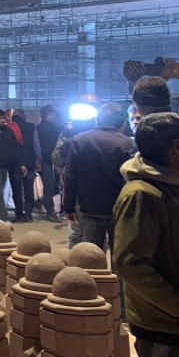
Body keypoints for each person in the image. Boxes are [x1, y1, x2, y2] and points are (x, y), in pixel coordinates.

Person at [113, 112, 179, 357]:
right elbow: (130, 262)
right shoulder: (142, 194)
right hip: (164, 324)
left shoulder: (173, 185)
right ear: (177, 147)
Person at [62, 103, 132, 255]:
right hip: (119, 208)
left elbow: (70, 176)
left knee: (91, 255)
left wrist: (69, 207)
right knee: (120, 255)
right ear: (122, 122)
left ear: (98, 119)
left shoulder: (79, 140)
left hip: (90, 207)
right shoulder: (128, 143)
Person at [35, 105, 62, 222]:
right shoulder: (54, 128)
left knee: (51, 186)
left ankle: (48, 208)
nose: (53, 116)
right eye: (51, 114)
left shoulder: (39, 128)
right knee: (50, 185)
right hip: (49, 161)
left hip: (46, 160)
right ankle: (50, 211)